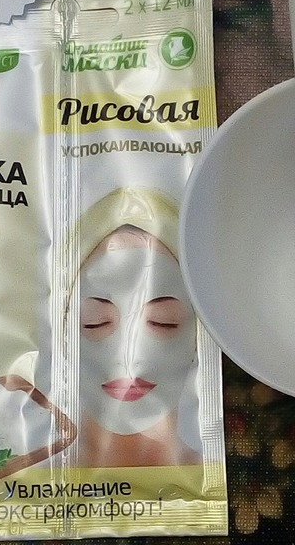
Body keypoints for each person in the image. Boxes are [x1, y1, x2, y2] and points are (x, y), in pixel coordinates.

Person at [75, 188, 201, 467]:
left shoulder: (208, 476)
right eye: (95, 321)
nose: (129, 356)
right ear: (64, 335)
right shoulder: (21, 484)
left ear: (197, 338)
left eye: (163, 321)